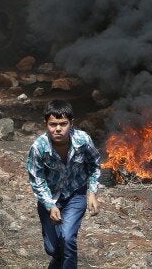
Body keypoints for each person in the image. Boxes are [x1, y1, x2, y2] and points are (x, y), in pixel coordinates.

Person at [26, 99, 101, 268]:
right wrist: (50, 205)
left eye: (63, 124)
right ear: (46, 124)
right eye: (53, 124)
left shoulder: (83, 140)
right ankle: (57, 261)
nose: (58, 129)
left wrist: (92, 192)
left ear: (71, 124)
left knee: (67, 238)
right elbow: (36, 179)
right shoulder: (38, 147)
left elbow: (94, 164)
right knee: (53, 248)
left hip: (76, 194)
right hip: (50, 197)